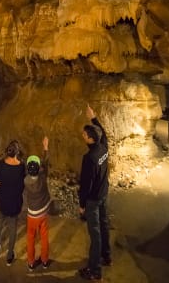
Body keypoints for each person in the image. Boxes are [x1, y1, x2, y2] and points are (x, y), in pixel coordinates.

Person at [78, 105, 111, 281]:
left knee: (95, 233)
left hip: (93, 199)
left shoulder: (89, 158)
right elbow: (104, 133)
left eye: (84, 135)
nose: (82, 136)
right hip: (104, 193)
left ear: (91, 140)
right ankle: (107, 256)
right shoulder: (104, 147)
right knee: (104, 225)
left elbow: (85, 185)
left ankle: (95, 270)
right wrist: (94, 118)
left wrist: (82, 205)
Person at [0, 140, 25, 266]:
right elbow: (22, 186)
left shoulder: (0, 164)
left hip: (3, 200)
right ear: (17, 152)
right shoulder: (21, 167)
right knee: (12, 228)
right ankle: (9, 256)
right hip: (15, 201)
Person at [24, 136, 51, 271]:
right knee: (44, 236)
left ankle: (30, 262)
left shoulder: (26, 181)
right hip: (43, 212)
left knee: (30, 238)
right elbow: (45, 163)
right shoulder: (42, 176)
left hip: (32, 214)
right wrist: (45, 147)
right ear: (39, 169)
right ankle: (45, 261)